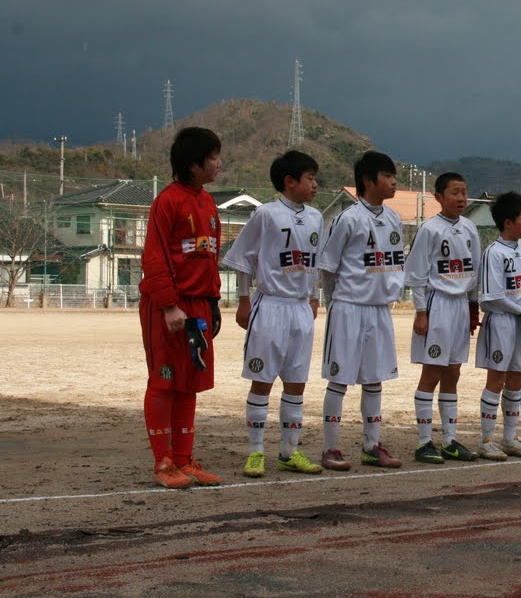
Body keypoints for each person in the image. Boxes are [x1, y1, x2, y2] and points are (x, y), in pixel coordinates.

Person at [222, 150, 323, 478]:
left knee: (297, 384)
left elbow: (315, 262)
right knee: (261, 380)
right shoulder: (266, 214)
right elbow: (244, 258)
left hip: (300, 309)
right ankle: (255, 452)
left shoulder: (317, 217)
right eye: (309, 178)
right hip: (270, 305)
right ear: (289, 181)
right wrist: (242, 300)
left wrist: (313, 296)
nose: (315, 184)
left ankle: (289, 451)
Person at [139, 126, 224, 489]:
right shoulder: (168, 200)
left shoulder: (207, 202)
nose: (219, 164)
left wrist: (214, 300)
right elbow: (154, 257)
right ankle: (163, 463)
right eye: (214, 158)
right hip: (169, 307)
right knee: (165, 381)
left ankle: (186, 460)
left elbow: (210, 257)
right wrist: (170, 305)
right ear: (193, 164)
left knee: (191, 381)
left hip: (199, 304)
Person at [319, 151, 405, 470]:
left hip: (379, 310)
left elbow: (394, 264)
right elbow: (328, 268)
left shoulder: (394, 218)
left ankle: (372, 445)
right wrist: (335, 304)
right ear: (369, 181)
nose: (394, 181)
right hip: (348, 307)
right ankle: (330, 448)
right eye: (387, 175)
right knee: (339, 379)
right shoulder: (349, 218)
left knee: (374, 379)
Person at [405, 172, 481, 464]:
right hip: (437, 305)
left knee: (454, 373)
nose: (461, 198)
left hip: (460, 306)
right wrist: (421, 312)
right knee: (432, 373)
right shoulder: (429, 229)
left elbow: (473, 272)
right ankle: (424, 442)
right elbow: (417, 274)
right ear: (438, 197)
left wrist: (473, 306)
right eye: (454, 192)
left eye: (464, 192)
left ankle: (449, 440)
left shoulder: (470, 228)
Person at [475, 192, 521, 460]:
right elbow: (492, 296)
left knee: (516, 379)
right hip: (502, 322)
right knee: (496, 379)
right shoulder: (493, 253)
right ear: (507, 222)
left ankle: (509, 438)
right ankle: (486, 439)